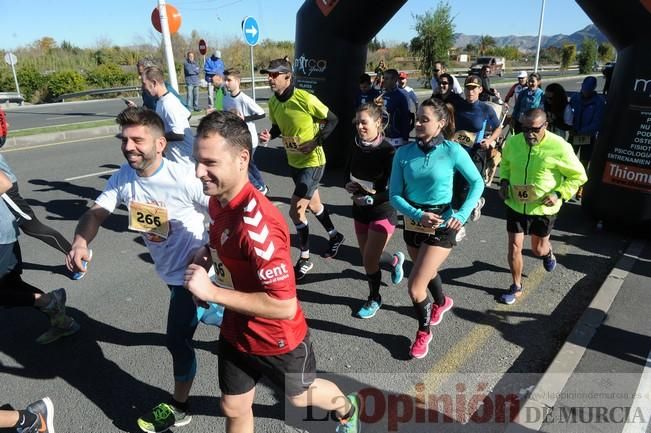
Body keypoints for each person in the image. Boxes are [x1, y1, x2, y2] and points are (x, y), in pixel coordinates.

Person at [187, 110, 360, 433]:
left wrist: (211, 292)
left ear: (242, 159)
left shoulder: (258, 224)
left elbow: (283, 306)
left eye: (210, 163)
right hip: (235, 329)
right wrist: (207, 255)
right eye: (198, 160)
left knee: (299, 399)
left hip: (277, 339)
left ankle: (347, 408)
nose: (199, 172)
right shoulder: (218, 200)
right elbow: (224, 246)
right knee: (233, 406)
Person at [65, 107, 213, 433]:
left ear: (160, 144)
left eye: (137, 140)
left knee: (177, 340)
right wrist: (79, 242)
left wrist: (208, 251)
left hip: (196, 276)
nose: (129, 146)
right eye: (125, 139)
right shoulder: (123, 177)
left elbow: (224, 215)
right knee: (218, 319)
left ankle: (180, 407)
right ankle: (236, 321)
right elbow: (96, 214)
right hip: (171, 276)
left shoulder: (185, 178)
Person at [389, 98, 484, 359]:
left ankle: (423, 330)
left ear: (441, 123)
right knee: (425, 270)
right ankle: (442, 302)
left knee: (415, 287)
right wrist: (417, 214)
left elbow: (477, 183)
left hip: (443, 224)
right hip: (413, 222)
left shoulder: (453, 151)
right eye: (417, 118)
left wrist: (462, 214)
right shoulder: (403, 153)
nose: (418, 123)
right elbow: (394, 194)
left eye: (424, 119)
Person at [258, 58, 343, 281]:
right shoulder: (274, 102)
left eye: (274, 75)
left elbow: (333, 120)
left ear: (288, 77)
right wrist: (270, 134)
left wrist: (315, 142)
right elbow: (278, 126)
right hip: (294, 162)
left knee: (295, 210)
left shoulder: (304, 98)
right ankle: (335, 236)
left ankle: (305, 258)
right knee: (315, 205)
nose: (270, 78)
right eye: (269, 74)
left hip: (313, 162)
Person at [498, 109, 587, 305]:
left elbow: (579, 175)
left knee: (538, 249)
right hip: (515, 204)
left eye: (535, 130)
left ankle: (547, 253)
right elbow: (505, 164)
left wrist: (559, 193)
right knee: (514, 247)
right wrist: (504, 181)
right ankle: (516, 286)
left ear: (545, 126)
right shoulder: (513, 142)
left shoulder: (560, 146)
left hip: (543, 209)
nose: (529, 134)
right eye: (525, 129)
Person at [1, 163, 79, 344]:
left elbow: (4, 183)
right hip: (4, 230)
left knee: (35, 228)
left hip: (4, 221)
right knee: (10, 284)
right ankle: (61, 320)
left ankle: (75, 259)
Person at [347, 102, 405, 319]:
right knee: (368, 255)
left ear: (378, 122)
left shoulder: (388, 151)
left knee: (369, 259)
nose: (360, 127)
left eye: (364, 122)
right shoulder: (355, 145)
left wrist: (372, 199)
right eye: (357, 122)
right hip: (359, 209)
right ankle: (394, 261)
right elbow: (347, 172)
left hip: (383, 210)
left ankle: (374, 298)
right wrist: (348, 185)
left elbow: (394, 189)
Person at [1, 144, 73, 271]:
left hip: (5, 190)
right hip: (6, 184)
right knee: (8, 231)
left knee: (32, 227)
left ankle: (76, 255)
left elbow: (5, 184)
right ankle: (11, 272)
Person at [447, 75, 503, 222]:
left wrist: (490, 140)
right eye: (468, 88)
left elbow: (498, 128)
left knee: (468, 184)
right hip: (457, 151)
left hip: (476, 152)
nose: (470, 91)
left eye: (473, 88)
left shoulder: (485, 109)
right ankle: (455, 215)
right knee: (453, 185)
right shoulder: (458, 105)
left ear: (480, 89)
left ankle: (469, 209)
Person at [223, 68, 268, 194]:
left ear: (237, 81)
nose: (226, 83)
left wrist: (245, 118)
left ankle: (259, 188)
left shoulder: (244, 99)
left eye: (229, 80)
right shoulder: (226, 98)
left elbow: (262, 113)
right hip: (236, 138)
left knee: (242, 166)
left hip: (249, 138)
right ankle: (262, 186)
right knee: (250, 165)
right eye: (225, 80)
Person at [142, 66, 194, 165]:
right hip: (176, 161)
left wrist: (155, 136)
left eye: (144, 84)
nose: (144, 87)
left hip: (186, 162)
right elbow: (187, 115)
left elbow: (179, 134)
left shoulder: (168, 103)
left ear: (153, 83)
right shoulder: (162, 101)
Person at [569, 76, 605, 199]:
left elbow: (597, 123)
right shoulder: (575, 98)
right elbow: (568, 114)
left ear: (593, 88)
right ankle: (567, 186)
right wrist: (570, 127)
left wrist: (581, 131)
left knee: (584, 163)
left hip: (588, 138)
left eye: (588, 89)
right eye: (584, 88)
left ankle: (581, 187)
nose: (585, 91)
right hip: (574, 135)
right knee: (568, 160)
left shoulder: (599, 102)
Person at [381, 69, 411, 148]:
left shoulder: (401, 96)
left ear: (394, 80)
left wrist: (405, 138)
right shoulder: (382, 94)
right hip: (383, 135)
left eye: (387, 78)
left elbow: (405, 118)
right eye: (384, 78)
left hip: (396, 138)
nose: (384, 81)